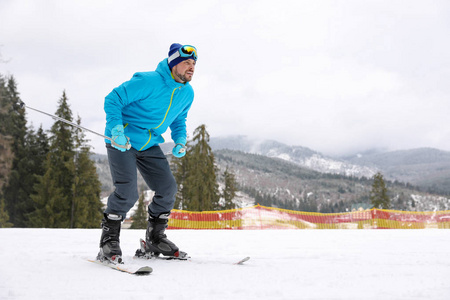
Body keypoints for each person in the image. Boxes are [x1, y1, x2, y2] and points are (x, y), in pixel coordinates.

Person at [97, 43, 197, 263]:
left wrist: (180, 139)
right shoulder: (148, 81)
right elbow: (113, 99)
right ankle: (109, 240)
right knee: (128, 192)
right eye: (186, 62)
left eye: (193, 63)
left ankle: (154, 238)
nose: (191, 67)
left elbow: (179, 119)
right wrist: (116, 130)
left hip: (149, 142)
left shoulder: (187, 93)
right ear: (173, 64)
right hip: (122, 138)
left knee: (167, 188)